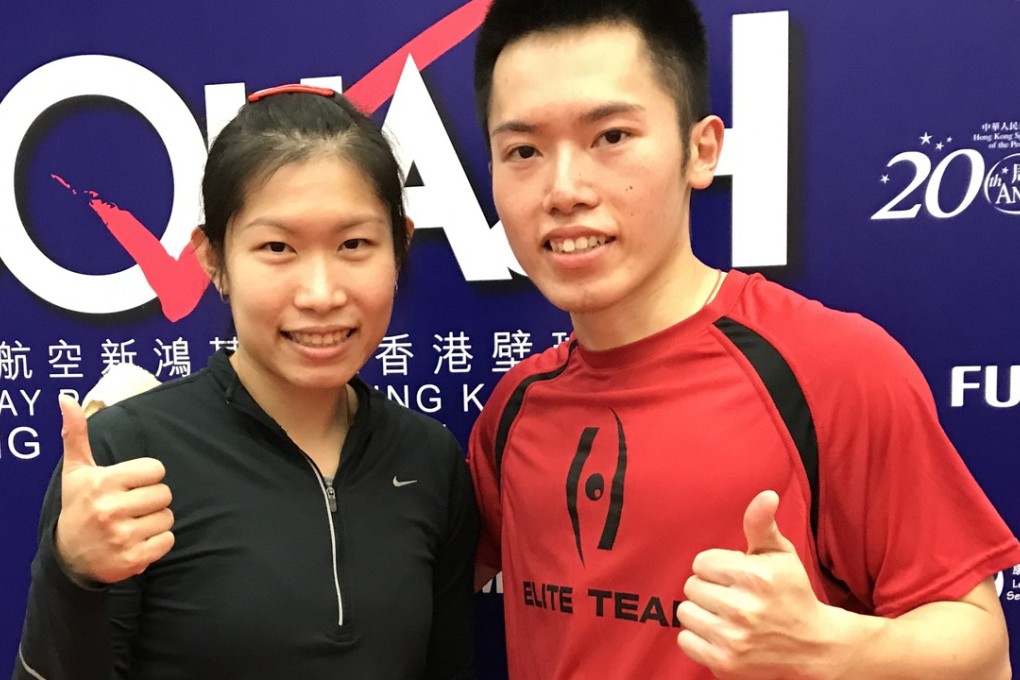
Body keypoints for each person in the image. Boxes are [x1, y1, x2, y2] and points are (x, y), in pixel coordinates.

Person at [466, 1, 1020, 678]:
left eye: (610, 136)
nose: (564, 190)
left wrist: (830, 648)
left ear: (702, 151)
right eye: (523, 151)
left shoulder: (831, 368)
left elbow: (984, 654)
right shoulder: (515, 408)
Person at [14, 84, 477, 680]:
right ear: (213, 260)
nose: (320, 294)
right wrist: (74, 574)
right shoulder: (127, 457)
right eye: (277, 247)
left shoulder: (430, 460)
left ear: (401, 245)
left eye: (354, 244)